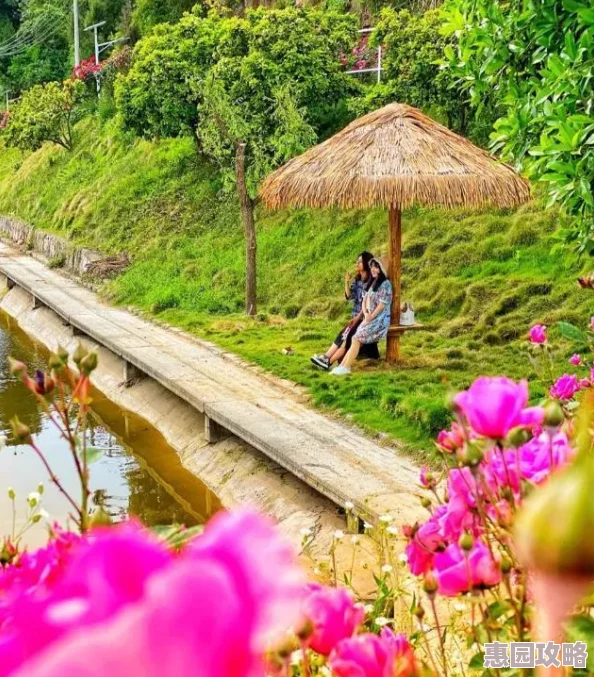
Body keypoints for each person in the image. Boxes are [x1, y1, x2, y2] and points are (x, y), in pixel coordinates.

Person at [310, 251, 376, 370]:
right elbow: (349, 297)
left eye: (360, 261)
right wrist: (346, 281)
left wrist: (358, 318)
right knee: (342, 334)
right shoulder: (357, 280)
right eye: (357, 261)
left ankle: (328, 361)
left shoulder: (372, 282)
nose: (357, 263)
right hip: (355, 317)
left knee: (347, 338)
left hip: (364, 319)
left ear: (366, 263)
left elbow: (368, 305)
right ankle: (325, 358)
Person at [331, 258, 392, 376]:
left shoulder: (386, 284)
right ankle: (342, 366)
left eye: (376, 267)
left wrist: (371, 316)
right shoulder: (372, 282)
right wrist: (366, 314)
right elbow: (364, 300)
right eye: (372, 267)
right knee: (354, 337)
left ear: (381, 269)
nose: (373, 270)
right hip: (369, 318)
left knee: (356, 338)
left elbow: (382, 305)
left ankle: (346, 367)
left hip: (380, 320)